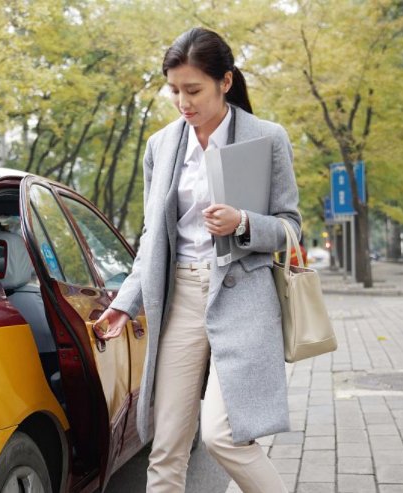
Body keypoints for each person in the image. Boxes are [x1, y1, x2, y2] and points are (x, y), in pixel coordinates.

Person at [95, 27, 301, 492]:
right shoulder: (161, 146)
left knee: (224, 436)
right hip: (181, 297)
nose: (183, 102)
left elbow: (291, 227)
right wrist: (125, 302)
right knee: (166, 444)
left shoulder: (266, 139)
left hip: (243, 295)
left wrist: (243, 222)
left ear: (225, 82)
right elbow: (153, 238)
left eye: (193, 90)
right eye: (174, 90)